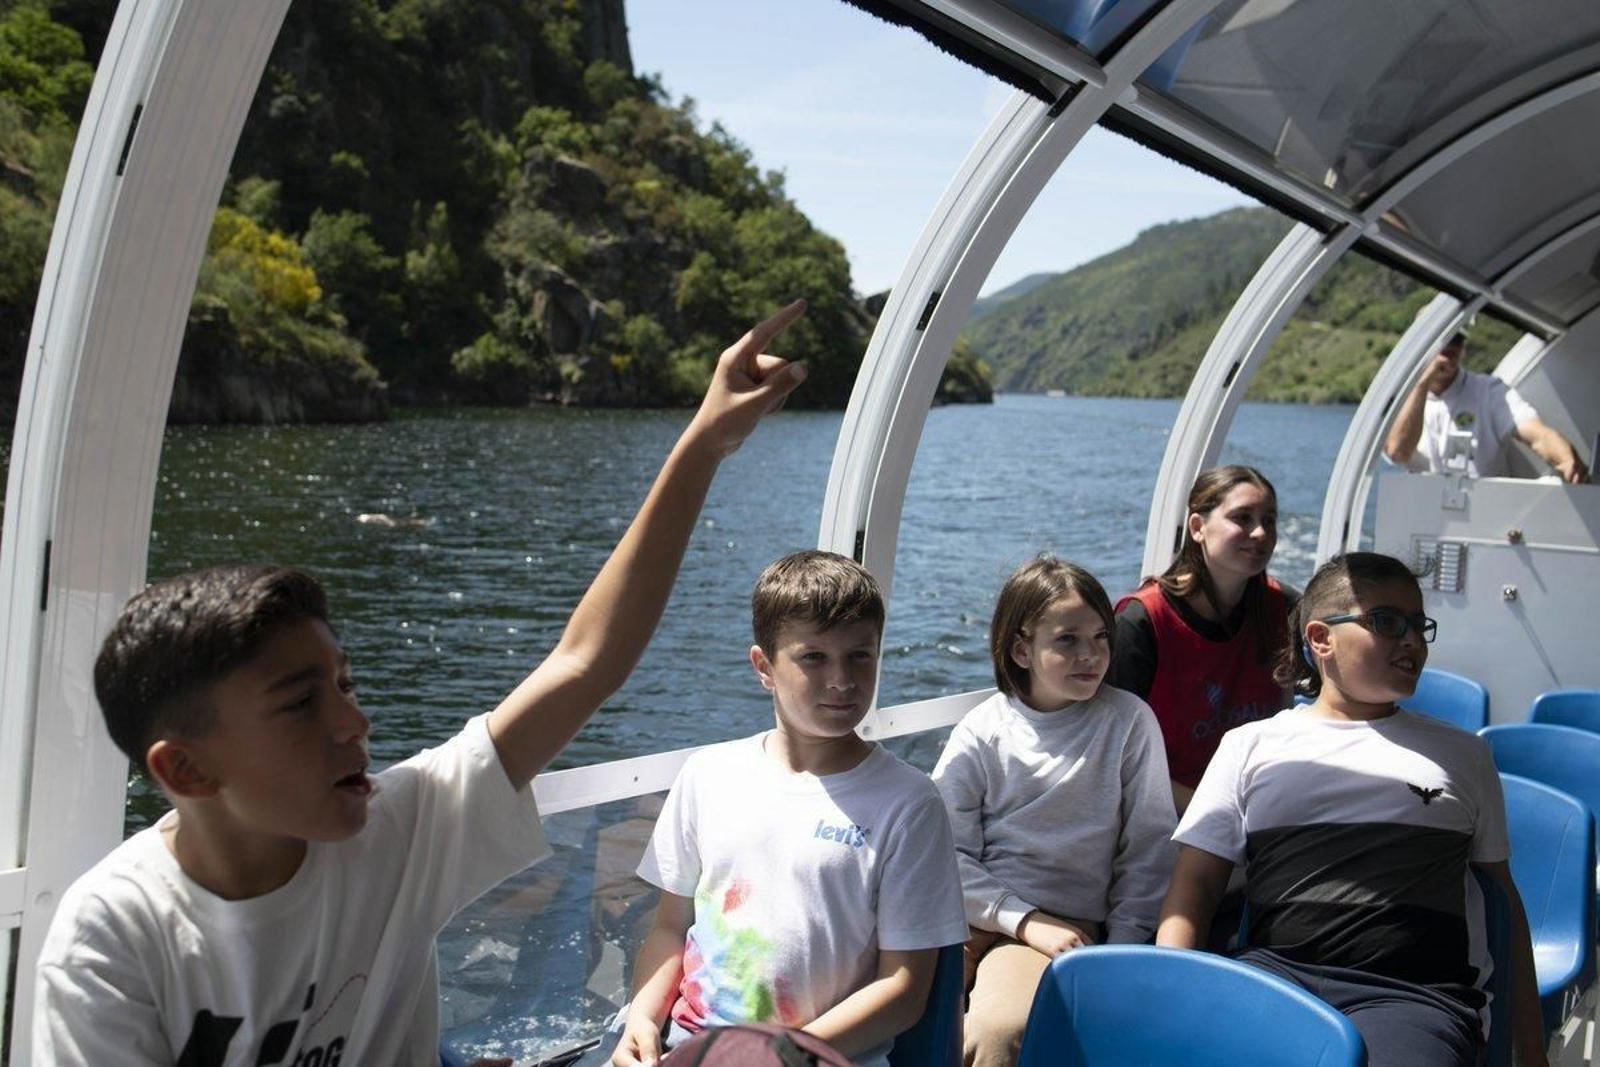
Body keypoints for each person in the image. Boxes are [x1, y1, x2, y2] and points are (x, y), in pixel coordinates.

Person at [33, 302, 812, 1066]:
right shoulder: (113, 939)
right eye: (302, 702)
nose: (353, 722)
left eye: (344, 683)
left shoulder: (394, 829)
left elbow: (585, 662)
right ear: (186, 768)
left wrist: (704, 445)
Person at [1156, 552, 1547, 1067]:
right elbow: (1196, 887)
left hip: (1411, 997)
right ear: (1321, 639)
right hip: (1276, 980)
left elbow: (1502, 901)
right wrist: (1164, 1005)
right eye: (1386, 622)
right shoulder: (1250, 745)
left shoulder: (1463, 755)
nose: (1411, 640)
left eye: (1417, 625)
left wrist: (1532, 1052)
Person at [606, 551, 967, 1067]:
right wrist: (641, 1017)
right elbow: (670, 927)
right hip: (690, 1046)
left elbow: (904, 987)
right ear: (764, 667)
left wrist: (783, 1055)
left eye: (860, 656)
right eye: (813, 657)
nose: (841, 680)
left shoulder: (907, 803)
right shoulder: (708, 776)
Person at [932, 554, 1176, 1067]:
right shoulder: (983, 731)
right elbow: (942, 852)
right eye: (1067, 639)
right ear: (1021, 648)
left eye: (1100, 637)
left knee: (1000, 1031)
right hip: (981, 917)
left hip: (1066, 929)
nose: (1091, 654)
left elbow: (1148, 851)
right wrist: (1022, 919)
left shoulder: (1127, 722)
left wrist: (1120, 953)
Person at [1106, 465, 1291, 815]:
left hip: (1259, 803)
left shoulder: (1281, 608)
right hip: (1164, 818)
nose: (1260, 532)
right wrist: (1216, 815)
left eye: (1269, 520)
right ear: (1197, 527)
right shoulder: (1142, 622)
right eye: (1242, 518)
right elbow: (1114, 753)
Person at [1384, 330, 1589, 483]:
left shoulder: (1490, 391)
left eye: (1456, 340)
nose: (1449, 348)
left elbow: (1538, 435)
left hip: (1484, 519)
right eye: (1439, 340)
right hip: (1421, 519)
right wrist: (1422, 382)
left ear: (1463, 348)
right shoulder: (1403, 397)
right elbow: (1398, 452)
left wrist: (1567, 459)